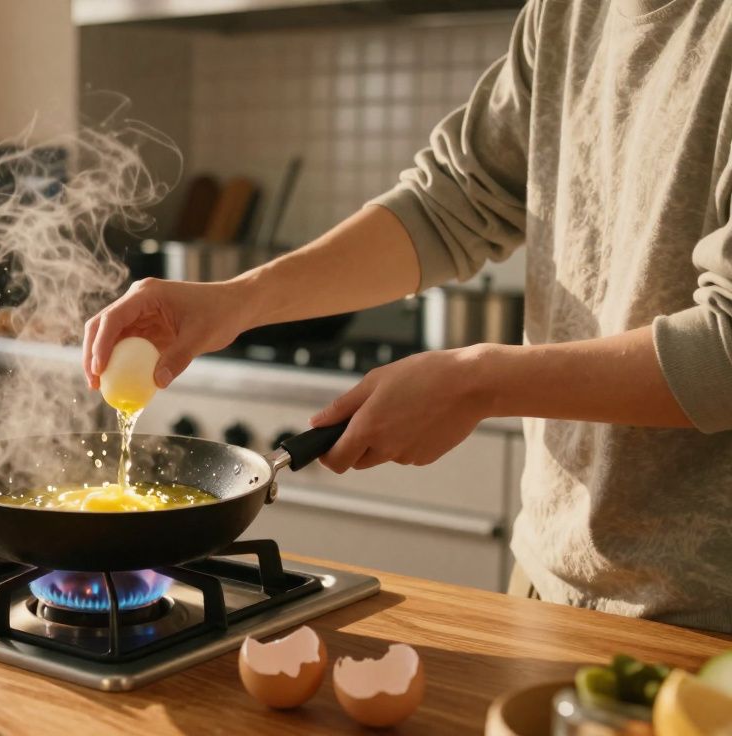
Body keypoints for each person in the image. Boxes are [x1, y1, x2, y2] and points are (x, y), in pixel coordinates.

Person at [84, 0, 732, 633]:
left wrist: (479, 381)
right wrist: (237, 300)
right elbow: (449, 204)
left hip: (706, 611)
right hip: (548, 577)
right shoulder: (563, 14)